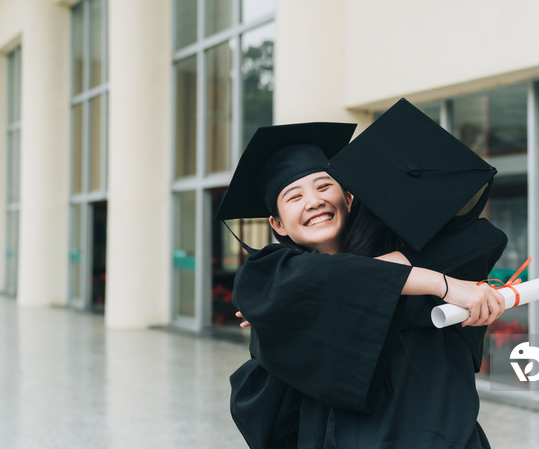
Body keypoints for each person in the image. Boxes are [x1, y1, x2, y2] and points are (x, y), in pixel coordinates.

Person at [216, 104, 507, 448]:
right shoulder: (270, 274)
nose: (313, 201)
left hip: (434, 433)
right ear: (278, 224)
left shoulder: (422, 250)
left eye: (324, 186)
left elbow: (484, 238)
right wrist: (438, 283)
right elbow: (316, 281)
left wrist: (389, 274)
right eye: (294, 196)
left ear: (349, 197)